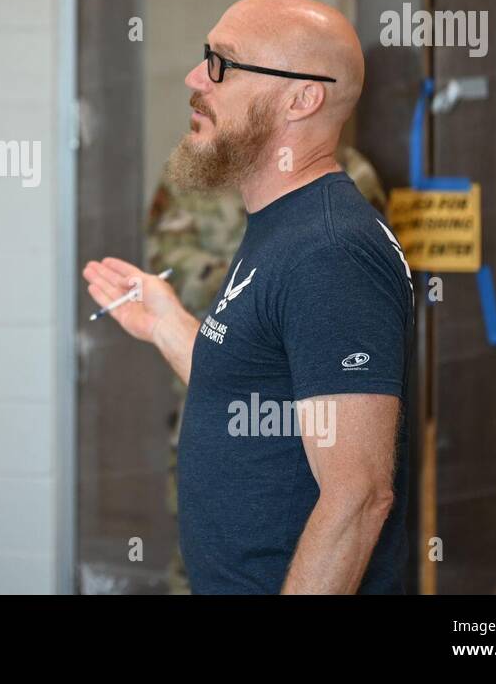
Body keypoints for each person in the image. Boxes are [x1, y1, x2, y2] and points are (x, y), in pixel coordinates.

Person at [85, 0, 414, 594]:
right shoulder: (282, 225)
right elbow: (258, 384)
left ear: (302, 97)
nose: (195, 78)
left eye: (223, 64)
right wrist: (167, 324)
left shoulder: (331, 250)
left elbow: (359, 497)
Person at [146, 144, 385, 594]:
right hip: (208, 396)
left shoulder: (346, 172)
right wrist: (268, 287)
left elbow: (357, 279)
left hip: (306, 408)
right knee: (198, 540)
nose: (204, 87)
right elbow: (166, 260)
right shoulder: (195, 165)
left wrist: (263, 290)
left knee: (312, 531)